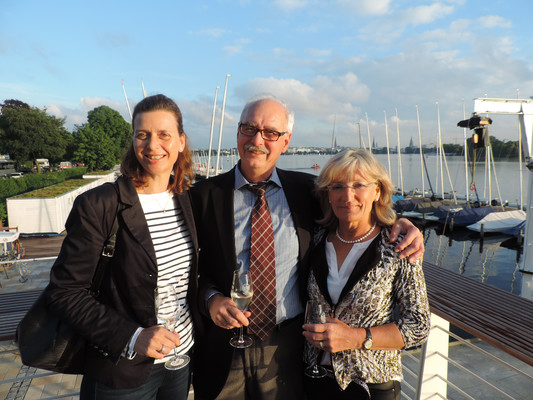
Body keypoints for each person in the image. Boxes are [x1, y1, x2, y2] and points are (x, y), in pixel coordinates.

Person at [191, 95, 425, 400]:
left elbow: (356, 204)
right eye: (249, 128)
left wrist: (401, 222)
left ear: (285, 141)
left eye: (270, 133)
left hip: (288, 350)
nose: (257, 140)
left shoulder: (306, 191)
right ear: (238, 132)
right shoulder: (201, 196)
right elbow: (189, 270)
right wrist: (210, 299)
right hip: (223, 348)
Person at [45, 94, 200, 400]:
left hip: (181, 358)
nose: (153, 145)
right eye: (142, 135)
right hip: (124, 368)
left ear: (181, 142)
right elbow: (64, 293)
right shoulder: (100, 204)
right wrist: (133, 336)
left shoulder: (189, 199)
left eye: (164, 135)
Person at [302, 149, 430, 400]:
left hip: (370, 386)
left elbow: (418, 325)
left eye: (359, 185)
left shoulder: (398, 247)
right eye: (337, 186)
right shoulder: (316, 239)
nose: (347, 196)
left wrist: (355, 337)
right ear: (328, 194)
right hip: (314, 380)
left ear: (377, 191)